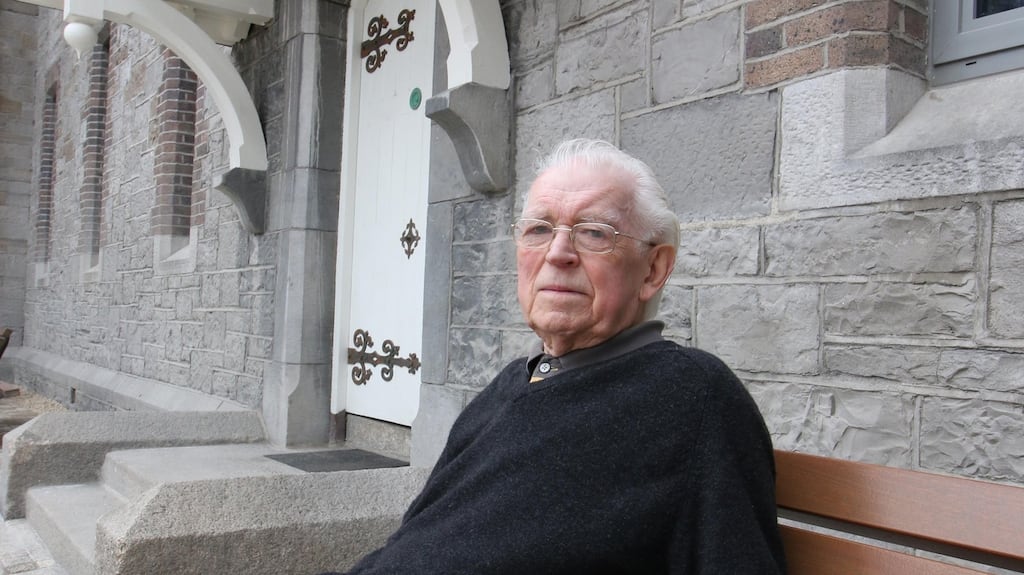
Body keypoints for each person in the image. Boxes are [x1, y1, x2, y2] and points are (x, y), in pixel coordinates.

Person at [333, 139, 785, 574]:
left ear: (653, 269)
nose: (558, 252)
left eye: (592, 232)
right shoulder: (511, 384)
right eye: (538, 229)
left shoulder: (692, 396)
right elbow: (420, 541)